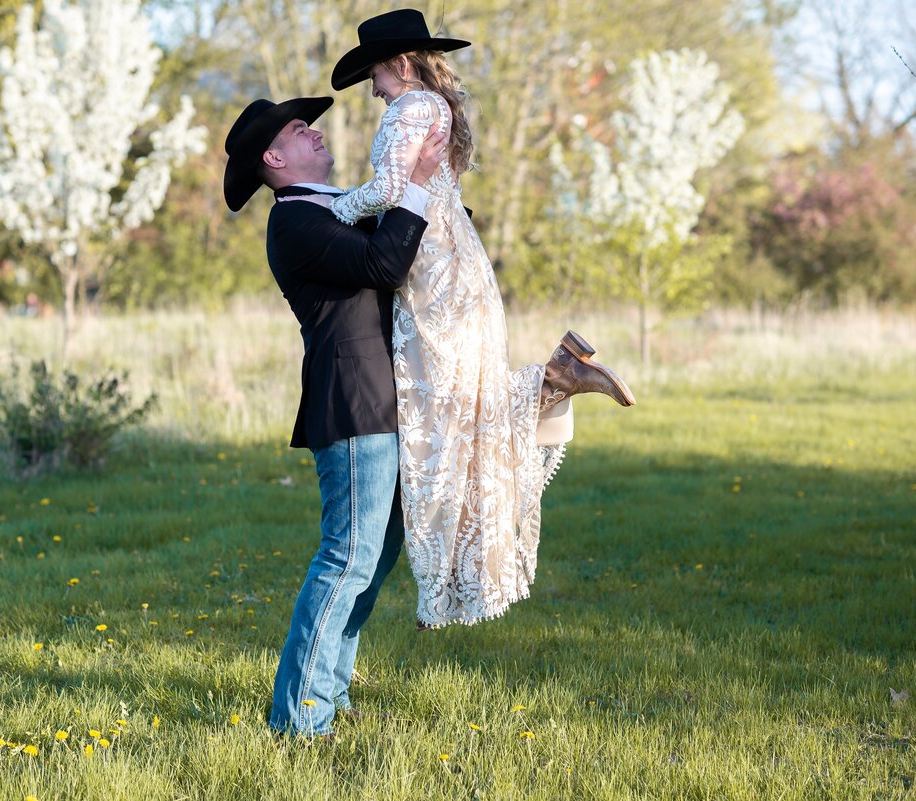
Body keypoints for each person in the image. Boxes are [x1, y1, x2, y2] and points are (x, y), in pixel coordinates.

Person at [326, 8, 636, 630]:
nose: (373, 88)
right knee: (463, 412)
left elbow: (388, 190)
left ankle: (443, 576)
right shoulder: (438, 106)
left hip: (434, 279)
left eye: (376, 74)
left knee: (438, 424)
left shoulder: (410, 109)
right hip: (458, 269)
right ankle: (555, 378)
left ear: (401, 64)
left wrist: (331, 208)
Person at [222, 96, 449, 737]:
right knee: (348, 559)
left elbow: (400, 250)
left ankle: (327, 701)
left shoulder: (334, 208)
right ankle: (299, 721)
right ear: (274, 159)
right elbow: (383, 263)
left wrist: (439, 202)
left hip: (386, 400)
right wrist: (418, 188)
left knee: (372, 565)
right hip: (354, 405)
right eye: (300, 131)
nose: (314, 133)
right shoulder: (295, 222)